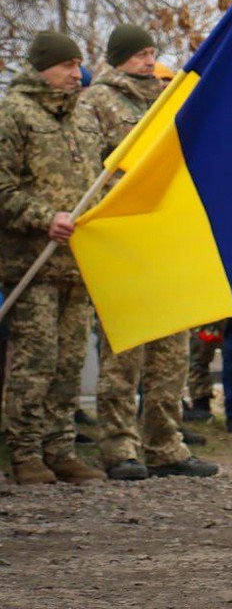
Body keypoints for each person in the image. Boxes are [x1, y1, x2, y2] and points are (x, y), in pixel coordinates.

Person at [78, 23, 218, 480]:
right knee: (127, 349)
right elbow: (86, 171)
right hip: (123, 240)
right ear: (118, 57)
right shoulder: (96, 101)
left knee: (171, 350)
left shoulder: (167, 100)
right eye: (139, 53)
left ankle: (165, 443)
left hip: (166, 239)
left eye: (151, 52)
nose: (147, 59)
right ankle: (120, 447)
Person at [0, 31, 106, 485]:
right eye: (68, 64)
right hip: (33, 264)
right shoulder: (13, 113)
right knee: (35, 361)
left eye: (80, 64)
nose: (76, 73)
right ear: (43, 67)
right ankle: (24, 453)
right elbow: (3, 189)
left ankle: (59, 448)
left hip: (79, 264)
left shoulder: (84, 117)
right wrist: (45, 218)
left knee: (69, 362)